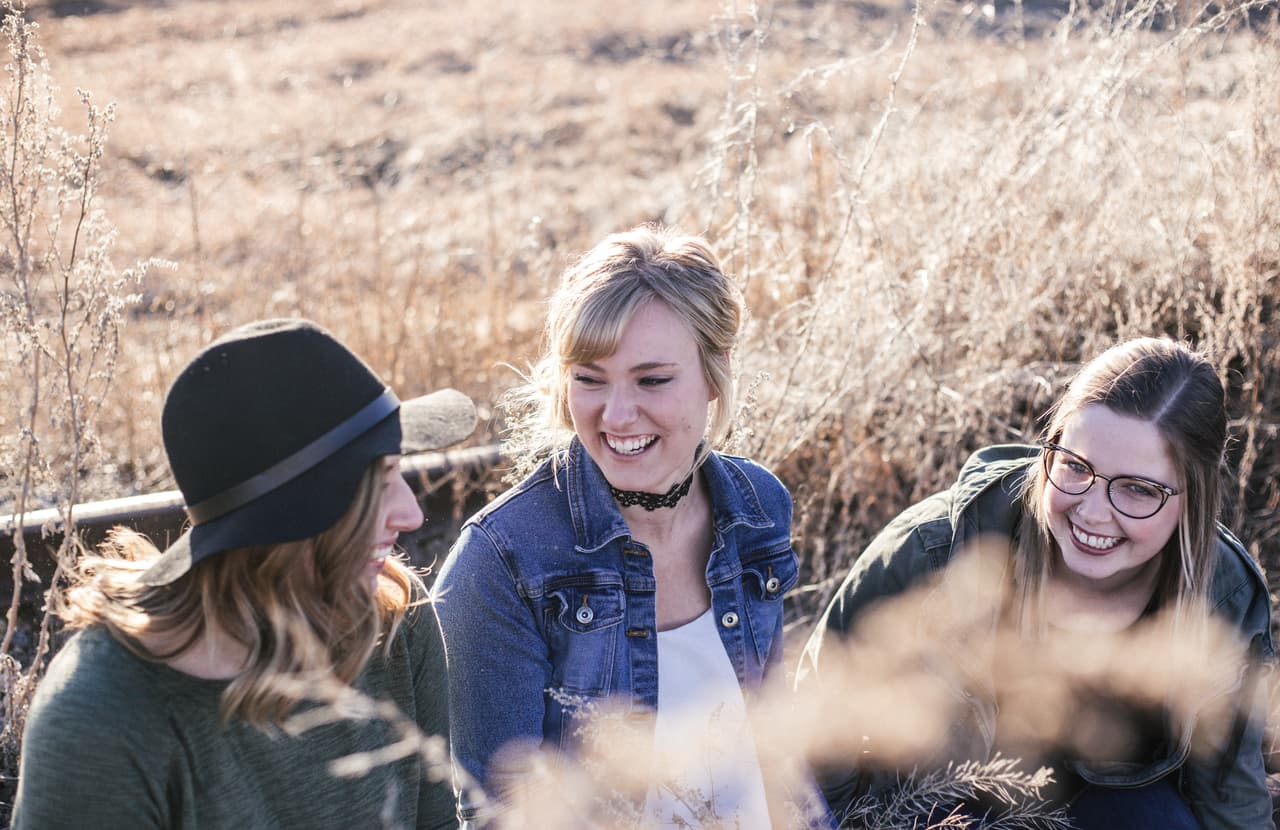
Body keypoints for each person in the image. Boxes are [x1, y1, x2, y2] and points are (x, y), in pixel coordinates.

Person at [434, 225, 830, 828]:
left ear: (714, 372)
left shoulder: (758, 508)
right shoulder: (501, 564)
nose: (616, 415)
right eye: (590, 379)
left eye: (652, 380)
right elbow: (498, 814)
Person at [12, 318, 476, 830]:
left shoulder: (394, 616)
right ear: (295, 516)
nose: (412, 514)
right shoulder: (101, 718)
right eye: (381, 483)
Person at [796, 337, 1274, 829]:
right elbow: (816, 732)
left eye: (1136, 489)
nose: (1091, 512)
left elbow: (1228, 792)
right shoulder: (933, 551)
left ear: (1193, 497)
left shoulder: (1223, 597)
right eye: (1075, 465)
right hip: (941, 808)